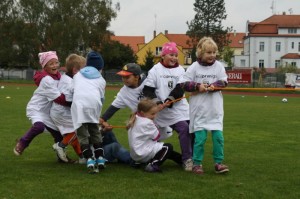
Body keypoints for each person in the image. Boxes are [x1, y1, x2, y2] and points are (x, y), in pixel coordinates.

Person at [180, 37, 229, 174]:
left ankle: (218, 163)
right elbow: (183, 84)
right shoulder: (194, 67)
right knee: (200, 140)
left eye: (214, 52)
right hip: (199, 111)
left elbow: (224, 82)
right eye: (208, 52)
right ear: (201, 53)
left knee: (218, 138)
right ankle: (197, 164)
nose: (212, 55)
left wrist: (214, 86)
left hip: (215, 110)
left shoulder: (218, 66)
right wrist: (198, 86)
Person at [142, 42, 193, 171]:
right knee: (150, 133)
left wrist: (169, 100)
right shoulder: (155, 70)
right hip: (160, 111)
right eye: (171, 54)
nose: (174, 58)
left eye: (176, 55)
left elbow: (180, 88)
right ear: (163, 56)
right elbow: (148, 90)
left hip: (178, 109)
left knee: (186, 129)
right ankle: (146, 156)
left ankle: (188, 159)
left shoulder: (181, 69)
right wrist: (158, 103)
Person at [14, 51, 67, 161]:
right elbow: (59, 98)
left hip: (47, 112)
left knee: (59, 134)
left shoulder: (59, 76)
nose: (55, 65)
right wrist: (72, 103)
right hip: (36, 108)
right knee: (39, 127)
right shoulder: (46, 79)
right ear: (45, 66)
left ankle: (61, 158)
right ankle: (22, 142)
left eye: (56, 62)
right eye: (51, 63)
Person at [71, 51, 106, 174]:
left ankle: (89, 159)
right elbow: (102, 97)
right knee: (94, 130)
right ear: (100, 68)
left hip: (79, 106)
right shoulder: (101, 79)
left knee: (82, 134)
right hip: (94, 105)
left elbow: (73, 91)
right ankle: (100, 158)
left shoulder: (77, 76)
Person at [127, 98, 182, 172]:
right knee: (167, 147)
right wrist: (167, 127)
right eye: (152, 114)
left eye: (155, 113)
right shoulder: (147, 122)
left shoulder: (135, 118)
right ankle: (153, 164)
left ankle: (181, 160)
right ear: (143, 113)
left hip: (135, 154)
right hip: (142, 152)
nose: (155, 116)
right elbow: (157, 136)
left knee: (162, 149)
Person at [50, 54, 86, 163]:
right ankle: (60, 145)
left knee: (72, 136)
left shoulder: (66, 78)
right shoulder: (70, 82)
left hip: (59, 112)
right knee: (78, 130)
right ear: (75, 70)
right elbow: (69, 100)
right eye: (83, 69)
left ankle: (82, 157)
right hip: (62, 112)